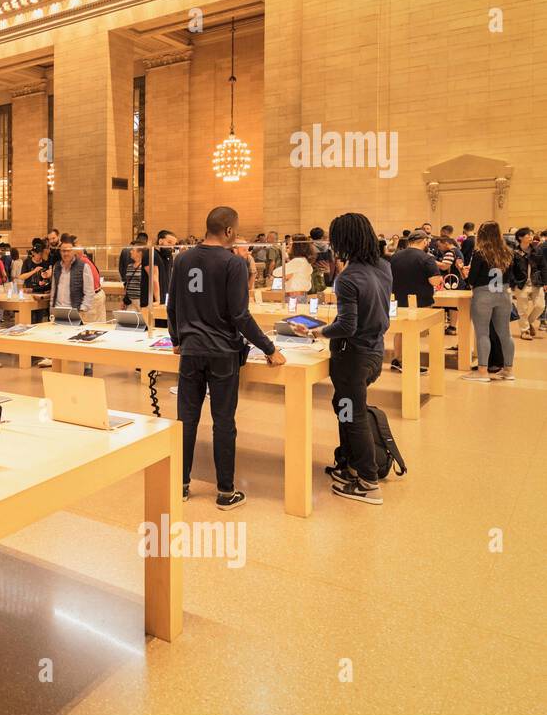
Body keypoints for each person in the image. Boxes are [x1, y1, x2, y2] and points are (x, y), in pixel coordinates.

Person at [167, 206, 284, 510]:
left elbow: (172, 306)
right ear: (230, 231)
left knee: (186, 420)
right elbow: (240, 315)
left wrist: (178, 339)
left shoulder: (181, 259)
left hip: (191, 351)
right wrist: (270, 348)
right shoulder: (233, 264)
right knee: (223, 422)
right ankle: (225, 491)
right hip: (222, 353)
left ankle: (180, 485)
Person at [290, 213, 392, 505]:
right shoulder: (383, 267)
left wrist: (316, 332)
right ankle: (349, 464)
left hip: (352, 355)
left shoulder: (348, 277)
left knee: (353, 412)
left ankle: (368, 482)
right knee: (344, 407)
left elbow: (347, 325)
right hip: (373, 351)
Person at [463, 221, 516, 382]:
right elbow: (511, 277)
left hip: (483, 295)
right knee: (505, 334)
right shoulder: (508, 252)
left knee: (482, 333)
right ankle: (508, 370)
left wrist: (466, 274)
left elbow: (472, 279)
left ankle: (482, 372)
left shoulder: (480, 252)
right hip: (503, 294)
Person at [388, 231, 441, 374]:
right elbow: (434, 280)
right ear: (424, 241)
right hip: (419, 301)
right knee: (413, 332)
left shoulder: (395, 257)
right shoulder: (427, 258)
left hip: (397, 299)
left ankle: (397, 359)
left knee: (400, 331)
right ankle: (409, 363)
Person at [52, 239, 97, 376]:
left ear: (73, 251)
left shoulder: (83, 266)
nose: (65, 253)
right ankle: (59, 369)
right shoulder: (57, 267)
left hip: (77, 309)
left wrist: (83, 308)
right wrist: (52, 308)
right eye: (63, 250)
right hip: (60, 310)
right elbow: (55, 288)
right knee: (59, 341)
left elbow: (89, 291)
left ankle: (88, 367)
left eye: (68, 250)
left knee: (83, 341)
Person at [512, 227, 543, 341]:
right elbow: (510, 270)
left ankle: (528, 322)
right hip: (521, 284)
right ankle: (524, 331)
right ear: (520, 237)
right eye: (528, 235)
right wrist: (513, 283)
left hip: (536, 282)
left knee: (540, 306)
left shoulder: (536, 250)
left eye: (531, 235)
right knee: (522, 309)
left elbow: (543, 266)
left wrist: (545, 282)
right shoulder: (514, 252)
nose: (531, 237)